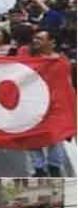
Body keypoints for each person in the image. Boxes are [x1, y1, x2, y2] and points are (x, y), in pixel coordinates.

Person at [28, 29, 67, 177]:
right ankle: (39, 168)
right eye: (35, 38)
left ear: (52, 42)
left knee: (54, 136)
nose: (36, 41)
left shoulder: (61, 61)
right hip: (31, 104)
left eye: (40, 38)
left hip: (54, 106)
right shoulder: (28, 58)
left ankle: (54, 166)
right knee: (32, 136)